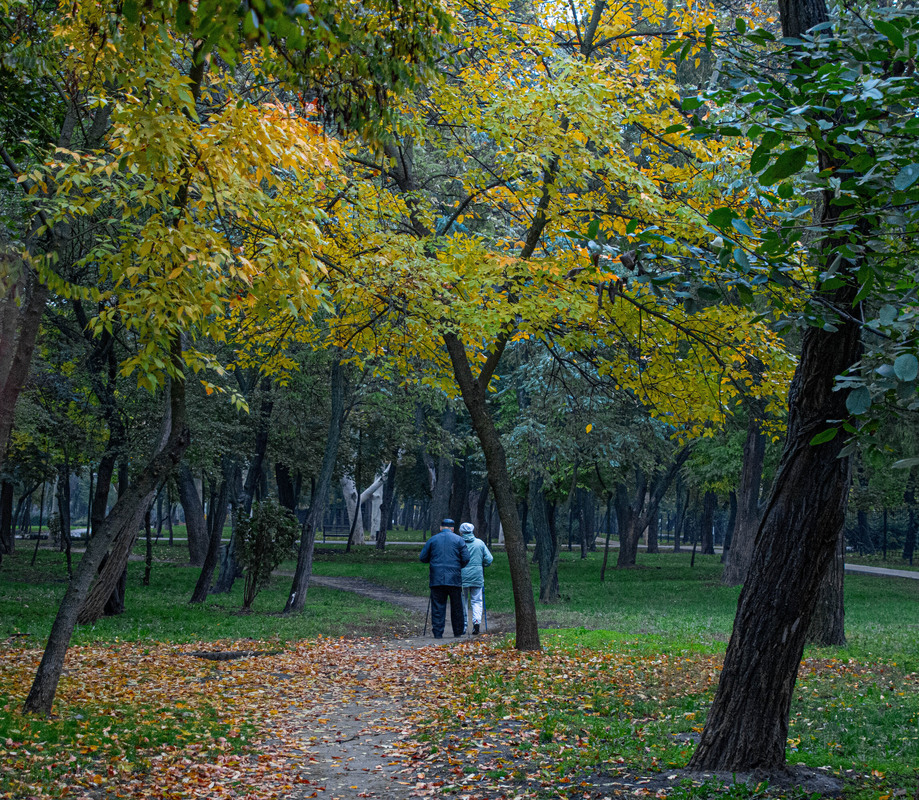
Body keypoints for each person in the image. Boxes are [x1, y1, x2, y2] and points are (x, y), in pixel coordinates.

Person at [419, 518, 470, 638]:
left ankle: (437, 632)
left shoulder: (433, 539)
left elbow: (423, 557)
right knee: (457, 606)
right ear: (453, 529)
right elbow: (466, 558)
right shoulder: (459, 540)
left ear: (441, 528)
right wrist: (458, 566)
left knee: (437, 606)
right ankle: (457, 631)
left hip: (437, 578)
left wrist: (433, 562)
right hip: (454, 578)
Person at [459, 522, 493, 635]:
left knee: (463, 601)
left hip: (461, 576)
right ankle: (477, 622)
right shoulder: (480, 543)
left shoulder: (458, 543)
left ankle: (463, 625)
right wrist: (482, 564)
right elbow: (489, 559)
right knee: (477, 600)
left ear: (461, 532)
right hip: (477, 576)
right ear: (472, 531)